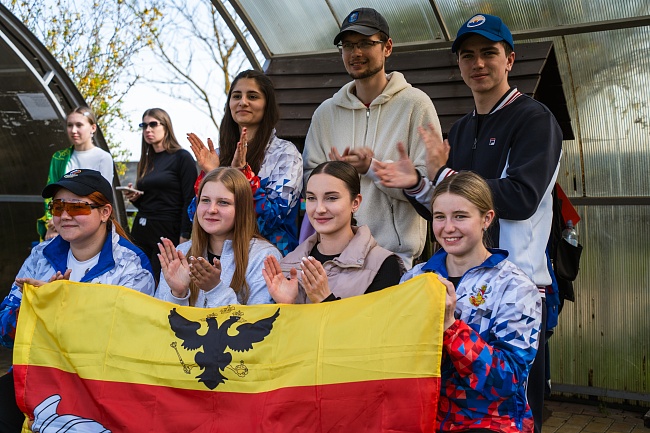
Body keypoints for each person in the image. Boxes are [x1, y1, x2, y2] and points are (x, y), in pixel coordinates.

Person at [375, 14, 562, 432]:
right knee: (453, 403)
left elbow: (522, 197)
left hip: (515, 289)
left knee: (508, 403)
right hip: (455, 286)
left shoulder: (535, 120)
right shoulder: (460, 129)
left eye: (488, 53)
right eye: (467, 55)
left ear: (509, 59)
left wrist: (443, 175)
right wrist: (417, 185)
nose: (478, 63)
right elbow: (453, 211)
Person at [0, 169, 155, 432]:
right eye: (57, 206)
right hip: (36, 374)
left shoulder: (132, 266)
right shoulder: (40, 255)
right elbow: (4, 330)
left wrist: (64, 305)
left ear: (105, 212)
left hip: (97, 384)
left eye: (77, 207)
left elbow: (126, 341)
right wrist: (34, 308)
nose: (64, 215)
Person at [302, 7, 442, 269]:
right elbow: (309, 179)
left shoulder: (416, 104)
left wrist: (373, 169)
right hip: (335, 259)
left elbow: (433, 189)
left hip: (396, 258)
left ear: (387, 47)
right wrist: (334, 175)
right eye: (348, 45)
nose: (355, 52)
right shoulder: (325, 113)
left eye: (365, 43)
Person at [401, 171, 541, 432]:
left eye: (460, 216)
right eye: (439, 217)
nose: (448, 227)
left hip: (490, 422)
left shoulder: (515, 287)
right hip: (423, 416)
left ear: (487, 219)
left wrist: (451, 328)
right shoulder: (414, 278)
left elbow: (507, 381)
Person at [187, 70, 303, 256]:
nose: (243, 102)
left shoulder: (286, 155)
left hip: (270, 258)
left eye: (252, 96)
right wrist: (211, 174)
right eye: (236, 96)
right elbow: (195, 216)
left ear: (267, 105)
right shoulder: (217, 155)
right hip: (217, 257)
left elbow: (270, 219)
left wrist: (243, 176)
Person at [263, 161, 404, 304]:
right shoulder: (288, 263)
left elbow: (377, 319)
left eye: (331, 198)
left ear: (355, 203)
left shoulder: (383, 264)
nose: (319, 209)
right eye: (311, 198)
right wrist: (286, 305)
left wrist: (325, 299)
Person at [155, 167, 282, 308]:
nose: (211, 209)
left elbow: (259, 319)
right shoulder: (182, 252)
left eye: (223, 202)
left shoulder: (263, 256)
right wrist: (178, 294)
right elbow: (159, 318)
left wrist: (215, 290)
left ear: (242, 209)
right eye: (205, 200)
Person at [122, 108, 197, 284]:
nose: (148, 129)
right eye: (144, 125)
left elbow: (190, 198)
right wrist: (136, 198)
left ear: (166, 126)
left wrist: (185, 234)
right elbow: (151, 200)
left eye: (153, 124)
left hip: (167, 231)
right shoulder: (146, 161)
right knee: (136, 279)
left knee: (161, 281)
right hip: (141, 228)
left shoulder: (182, 157)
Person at [37, 106, 114, 241]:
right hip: (61, 221)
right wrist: (52, 222)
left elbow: (103, 198)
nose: (73, 130)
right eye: (70, 125)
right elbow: (51, 193)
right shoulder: (59, 157)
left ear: (93, 128)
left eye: (79, 125)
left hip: (89, 223)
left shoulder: (103, 157)